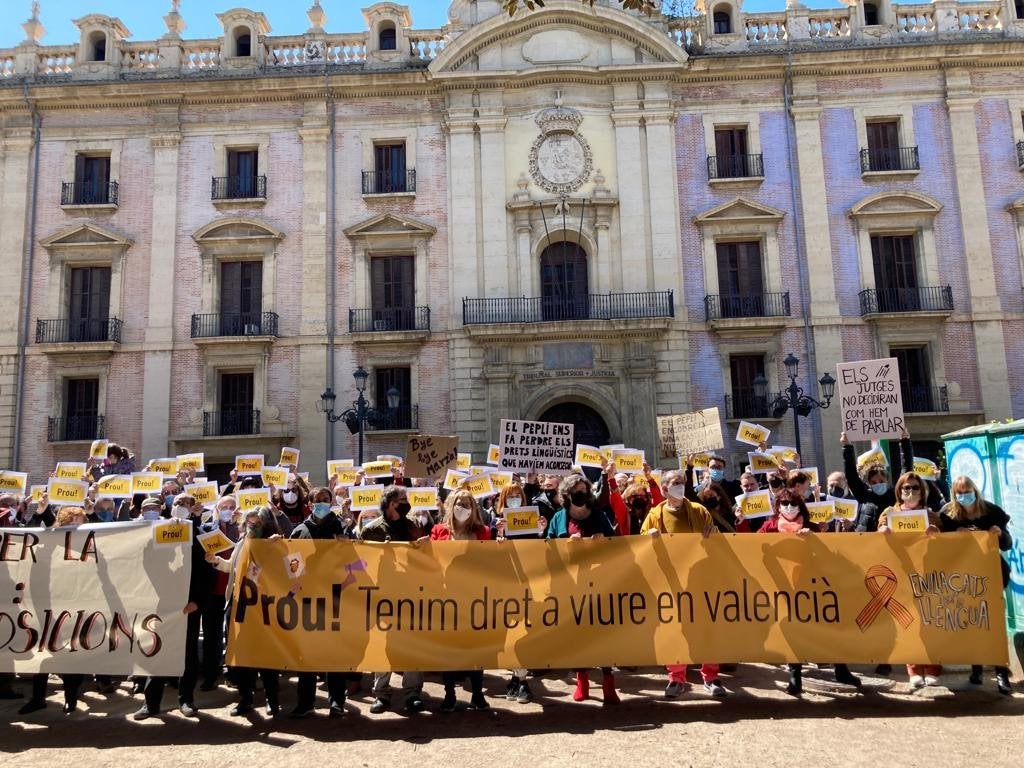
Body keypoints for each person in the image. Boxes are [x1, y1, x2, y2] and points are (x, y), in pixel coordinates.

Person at [640, 471, 727, 698]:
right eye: (675, 483)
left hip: (700, 580)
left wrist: (713, 532)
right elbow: (639, 544)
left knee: (706, 628)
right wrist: (648, 536)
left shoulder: (699, 511)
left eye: (683, 483)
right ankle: (676, 678)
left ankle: (711, 676)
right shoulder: (654, 515)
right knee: (674, 629)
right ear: (664, 489)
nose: (681, 486)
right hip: (670, 582)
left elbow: (716, 544)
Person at [133, 494, 214, 720]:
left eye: (185, 504)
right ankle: (150, 704)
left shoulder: (200, 536)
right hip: (162, 603)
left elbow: (207, 572)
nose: (180, 507)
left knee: (187, 655)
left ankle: (186, 700)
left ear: (192, 509)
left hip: (188, 605)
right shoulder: (160, 532)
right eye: (177, 503)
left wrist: (197, 601)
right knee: (157, 651)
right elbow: (148, 560)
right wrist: (167, 534)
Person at [547, 473, 620, 704]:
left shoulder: (599, 515)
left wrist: (602, 540)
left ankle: (609, 682)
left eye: (584, 489)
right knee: (578, 634)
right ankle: (582, 680)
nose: (581, 493)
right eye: (576, 490)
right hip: (572, 585)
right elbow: (547, 548)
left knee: (604, 633)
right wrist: (565, 544)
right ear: (567, 494)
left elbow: (616, 544)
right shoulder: (559, 518)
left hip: (600, 583)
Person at [940, 475, 1013, 695]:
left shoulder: (992, 512)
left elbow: (1007, 544)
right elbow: (938, 544)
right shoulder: (948, 514)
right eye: (959, 492)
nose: (964, 495)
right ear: (954, 494)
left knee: (995, 622)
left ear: (975, 490)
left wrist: (999, 535)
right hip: (963, 577)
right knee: (971, 620)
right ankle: (976, 669)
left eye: (967, 491)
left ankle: (1001, 672)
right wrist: (954, 535)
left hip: (991, 574)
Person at [208, 505, 282, 715]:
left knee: (266, 653)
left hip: (263, 606)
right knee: (241, 653)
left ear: (266, 524)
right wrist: (216, 561)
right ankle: (246, 698)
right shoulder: (242, 542)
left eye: (257, 522)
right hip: (238, 604)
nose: (252, 525)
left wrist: (276, 546)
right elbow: (231, 567)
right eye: (249, 522)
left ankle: (272, 698)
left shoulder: (274, 543)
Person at [17, 503, 89, 715]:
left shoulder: (87, 543)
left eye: (79, 522)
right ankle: (38, 698)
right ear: (61, 522)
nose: (75, 527)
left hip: (74, 604)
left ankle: (71, 697)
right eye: (70, 522)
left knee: (71, 652)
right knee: (43, 652)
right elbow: (29, 547)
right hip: (47, 603)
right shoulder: (49, 543)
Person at [362, 486, 426, 714]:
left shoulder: (413, 528)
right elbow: (361, 564)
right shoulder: (371, 530)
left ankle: (413, 693)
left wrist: (424, 547)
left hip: (409, 595)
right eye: (402, 499)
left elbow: (423, 561)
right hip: (382, 595)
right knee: (382, 644)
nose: (406, 503)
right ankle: (381, 693)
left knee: (411, 643)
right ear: (390, 503)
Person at [878, 472, 942, 689]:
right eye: (906, 488)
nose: (911, 492)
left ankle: (933, 667)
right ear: (899, 490)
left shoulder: (931, 515)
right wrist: (882, 531)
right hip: (902, 574)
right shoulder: (889, 513)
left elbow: (949, 541)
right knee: (909, 622)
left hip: (928, 575)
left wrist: (937, 533)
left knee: (930, 620)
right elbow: (875, 536)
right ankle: (913, 669)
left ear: (922, 491)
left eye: (915, 488)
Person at [289, 491, 346, 717]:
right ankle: (305, 702)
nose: (321, 503)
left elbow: (355, 559)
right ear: (310, 504)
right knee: (307, 653)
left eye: (325, 500)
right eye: (317, 500)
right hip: (307, 598)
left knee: (335, 652)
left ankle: (337, 702)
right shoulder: (299, 531)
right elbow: (292, 560)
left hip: (335, 596)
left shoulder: (341, 529)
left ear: (331, 503)